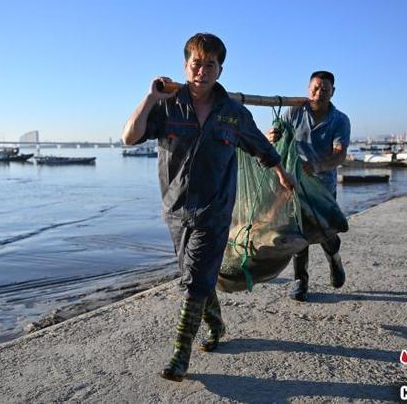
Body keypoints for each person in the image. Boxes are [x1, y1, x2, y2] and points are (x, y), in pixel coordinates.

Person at [122, 33, 296, 382]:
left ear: (220, 69)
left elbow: (262, 146)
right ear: (186, 65)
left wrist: (281, 173)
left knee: (194, 280)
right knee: (196, 277)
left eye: (210, 64)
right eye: (196, 63)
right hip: (175, 208)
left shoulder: (233, 114)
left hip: (215, 209)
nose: (202, 70)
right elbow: (129, 136)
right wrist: (149, 97)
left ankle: (179, 356)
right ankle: (216, 324)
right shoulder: (167, 105)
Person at [266, 71, 351, 302]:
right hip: (294, 181)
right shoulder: (294, 111)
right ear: (308, 88)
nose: (319, 93)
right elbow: (277, 136)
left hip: (323, 184)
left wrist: (317, 166)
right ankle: (300, 281)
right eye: (315, 88)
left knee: (326, 231)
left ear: (333, 92)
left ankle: (335, 259)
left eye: (325, 89)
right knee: (298, 230)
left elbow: (339, 155)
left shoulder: (340, 120)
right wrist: (272, 136)